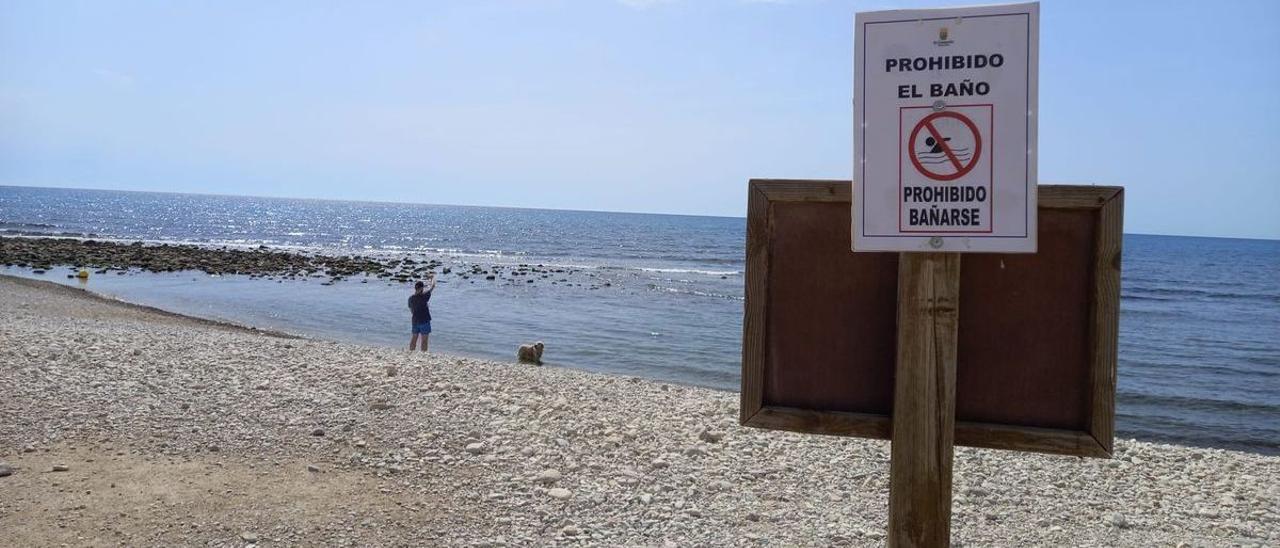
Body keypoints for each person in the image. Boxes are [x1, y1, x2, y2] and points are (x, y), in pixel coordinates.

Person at [407, 274, 436, 352]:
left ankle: (411, 353)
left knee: (414, 338)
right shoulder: (424, 296)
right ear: (421, 288)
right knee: (424, 340)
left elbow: (411, 310)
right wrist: (432, 278)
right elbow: (433, 286)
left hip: (415, 321)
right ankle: (423, 355)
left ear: (415, 288)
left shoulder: (410, 298)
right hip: (424, 321)